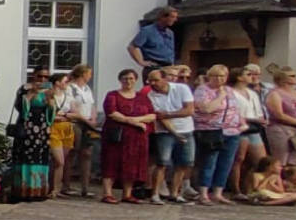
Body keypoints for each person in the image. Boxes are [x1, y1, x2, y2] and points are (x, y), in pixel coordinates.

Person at [186, 64, 242, 205]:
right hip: (211, 130)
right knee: (209, 162)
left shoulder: (229, 90)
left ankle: (218, 193)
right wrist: (220, 96)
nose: (219, 79)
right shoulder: (202, 90)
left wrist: (240, 123)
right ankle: (204, 193)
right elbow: (207, 109)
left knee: (226, 163)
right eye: (215, 76)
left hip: (231, 131)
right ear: (209, 77)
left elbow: (235, 108)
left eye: (222, 76)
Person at [98, 68, 154, 203]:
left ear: (136, 80)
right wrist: (132, 121)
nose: (128, 81)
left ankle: (127, 194)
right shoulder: (112, 95)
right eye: (125, 78)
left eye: (131, 78)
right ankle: (107, 193)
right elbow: (112, 113)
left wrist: (137, 120)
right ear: (120, 80)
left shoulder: (142, 97)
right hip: (117, 136)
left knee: (132, 165)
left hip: (137, 138)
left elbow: (152, 115)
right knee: (111, 162)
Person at [145, 66, 198, 203]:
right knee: (162, 162)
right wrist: (175, 132)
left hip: (186, 129)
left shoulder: (182, 88)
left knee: (184, 163)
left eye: (156, 80)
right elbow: (160, 118)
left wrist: (169, 114)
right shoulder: (151, 96)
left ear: (164, 79)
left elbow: (189, 110)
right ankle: (155, 194)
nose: (152, 83)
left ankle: (175, 193)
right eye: (150, 81)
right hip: (165, 131)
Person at [9, 73, 61, 202]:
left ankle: (39, 190)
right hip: (27, 127)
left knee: (40, 156)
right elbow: (20, 107)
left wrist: (51, 101)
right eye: (40, 76)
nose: (42, 79)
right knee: (26, 157)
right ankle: (23, 190)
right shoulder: (25, 88)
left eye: (46, 77)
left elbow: (53, 111)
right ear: (34, 76)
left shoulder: (48, 91)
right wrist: (31, 94)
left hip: (42, 128)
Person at [56, 65, 96, 198]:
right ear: (83, 74)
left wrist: (93, 118)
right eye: (89, 73)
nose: (90, 76)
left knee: (87, 153)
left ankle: (85, 187)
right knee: (71, 153)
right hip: (75, 122)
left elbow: (91, 105)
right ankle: (66, 185)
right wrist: (85, 119)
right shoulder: (70, 88)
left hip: (87, 123)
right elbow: (72, 108)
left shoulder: (87, 88)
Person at [228, 64, 268, 197]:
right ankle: (236, 189)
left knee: (260, 160)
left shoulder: (252, 93)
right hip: (239, 127)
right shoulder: (230, 92)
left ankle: (252, 187)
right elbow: (233, 112)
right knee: (239, 159)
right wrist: (253, 119)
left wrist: (261, 119)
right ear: (239, 77)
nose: (252, 77)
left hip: (254, 128)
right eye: (248, 75)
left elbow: (258, 111)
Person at [263, 66, 296, 170]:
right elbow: (278, 114)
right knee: (281, 160)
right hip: (280, 129)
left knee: (295, 161)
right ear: (282, 79)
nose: (295, 78)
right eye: (292, 76)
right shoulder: (275, 94)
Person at [127, 7, 178, 72]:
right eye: (172, 17)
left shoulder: (170, 33)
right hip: (154, 67)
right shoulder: (147, 30)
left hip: (168, 68)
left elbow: (170, 51)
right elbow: (132, 47)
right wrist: (141, 62)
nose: (175, 20)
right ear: (162, 17)